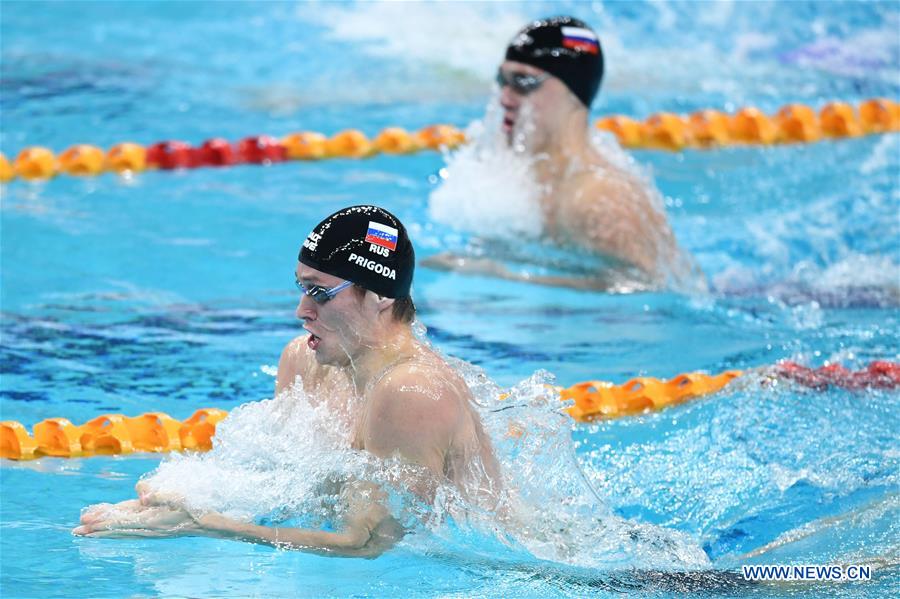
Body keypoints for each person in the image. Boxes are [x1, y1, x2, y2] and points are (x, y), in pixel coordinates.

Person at [74, 205, 503, 557]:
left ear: (380, 297)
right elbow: (285, 481)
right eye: (301, 287)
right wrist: (183, 497)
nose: (301, 310)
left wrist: (202, 524)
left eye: (319, 292)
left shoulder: (410, 393)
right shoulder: (305, 361)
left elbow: (369, 542)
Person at [426, 16, 699, 291]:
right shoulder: (521, 174)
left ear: (574, 90)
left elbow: (650, 289)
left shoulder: (599, 198)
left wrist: (503, 277)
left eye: (523, 82)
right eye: (502, 80)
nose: (504, 98)